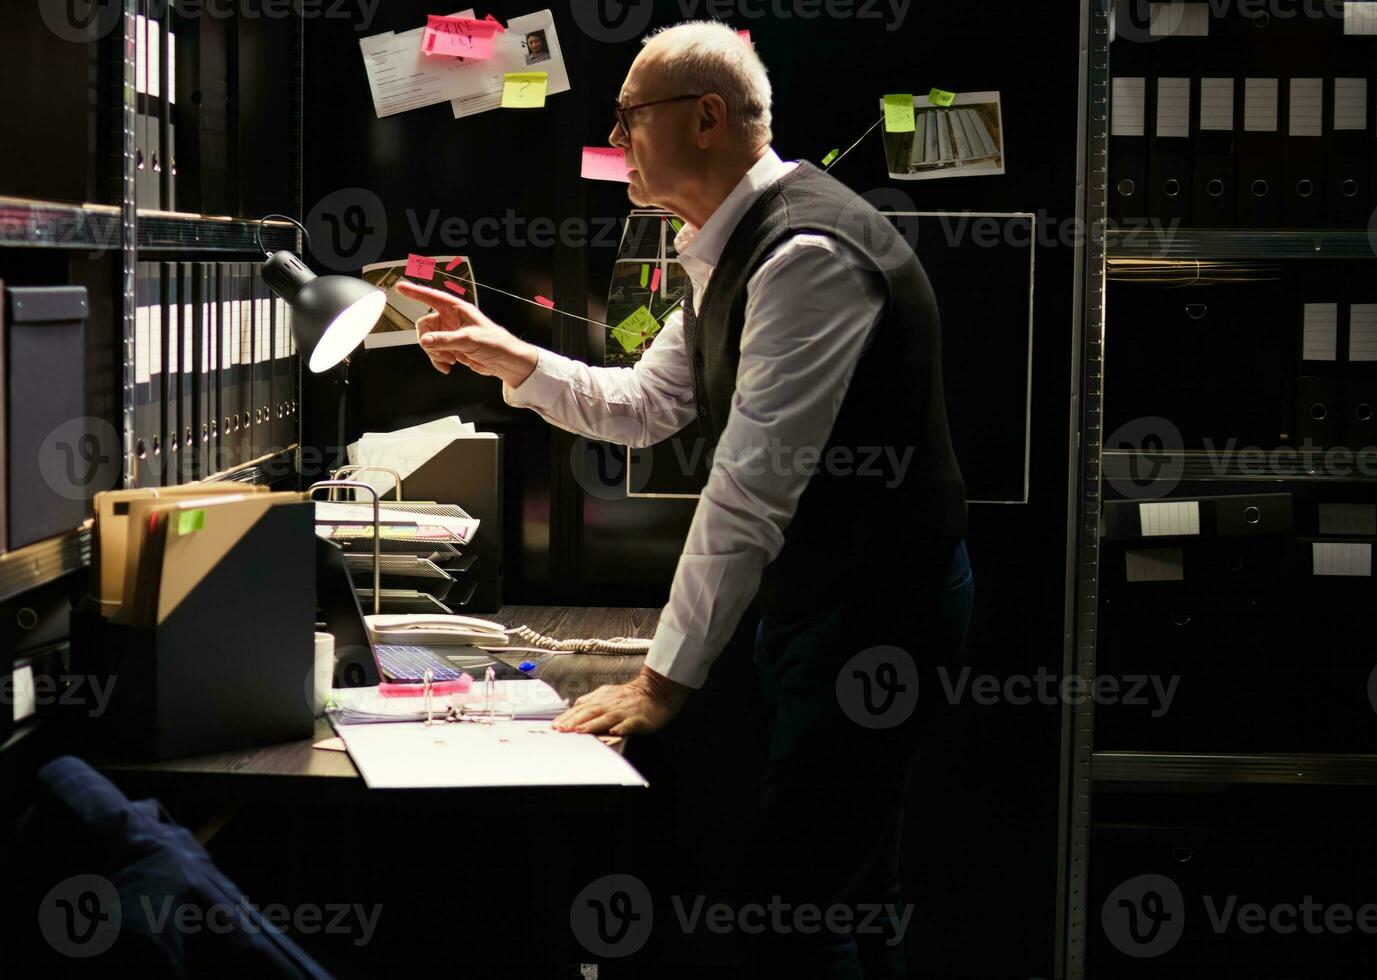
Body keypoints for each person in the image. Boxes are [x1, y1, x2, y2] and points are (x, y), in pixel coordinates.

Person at [394, 21, 972, 977]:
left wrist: (661, 682)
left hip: (877, 611)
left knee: (802, 902)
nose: (616, 138)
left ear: (706, 118)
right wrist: (509, 354)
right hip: (823, 600)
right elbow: (646, 403)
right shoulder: (727, 246)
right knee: (832, 880)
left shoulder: (803, 256)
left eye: (629, 117)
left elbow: (748, 493)